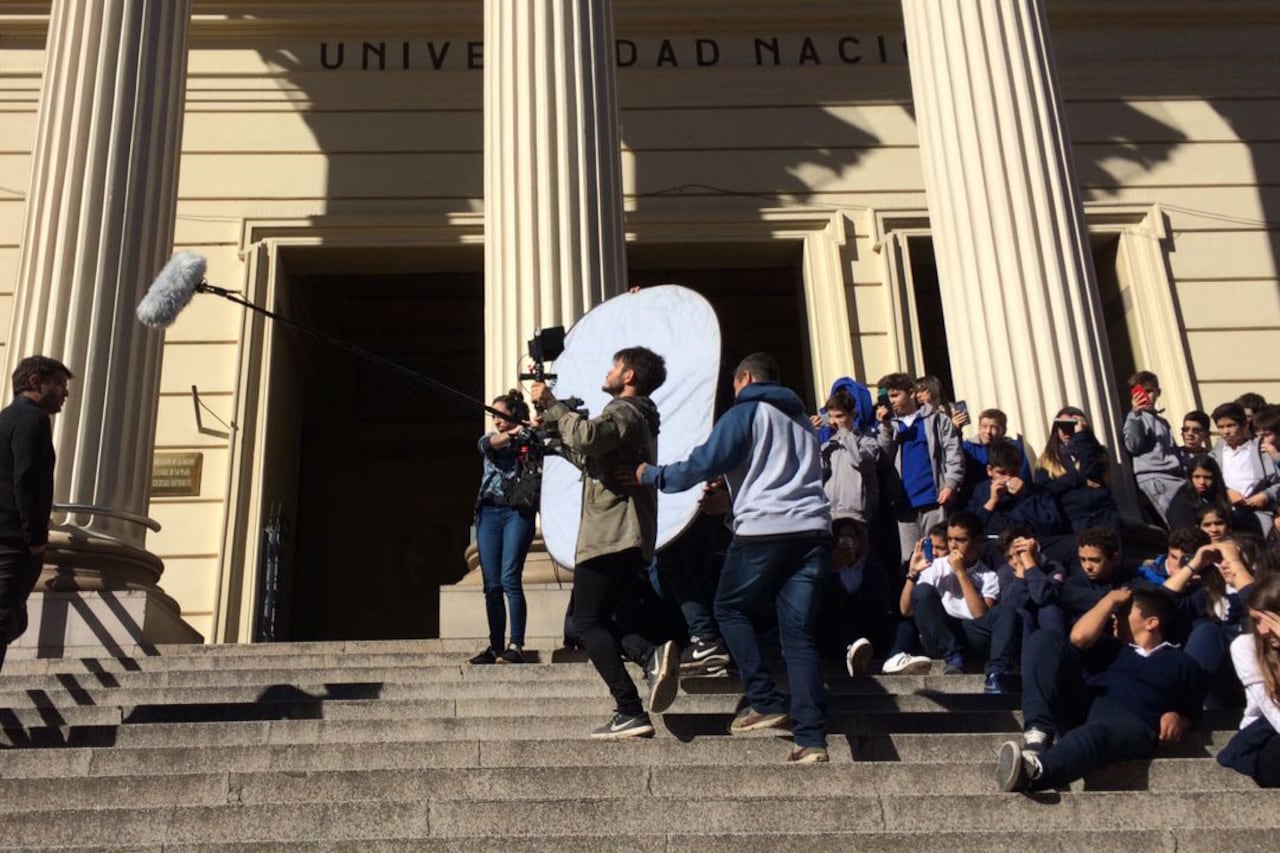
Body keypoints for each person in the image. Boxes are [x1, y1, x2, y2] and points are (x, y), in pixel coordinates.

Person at [635, 352, 833, 763]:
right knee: (799, 637)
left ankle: (764, 700)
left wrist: (651, 475)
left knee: (729, 609)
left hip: (764, 532)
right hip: (814, 532)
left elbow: (702, 463)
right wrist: (729, 502)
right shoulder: (801, 423)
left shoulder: (746, 413)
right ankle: (811, 740)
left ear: (744, 378)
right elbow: (783, 477)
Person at [530, 346, 679, 739]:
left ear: (628, 376)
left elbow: (590, 436)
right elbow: (592, 455)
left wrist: (552, 404)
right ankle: (650, 657)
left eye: (615, 366)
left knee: (585, 622)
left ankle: (629, 707)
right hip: (626, 534)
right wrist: (553, 433)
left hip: (610, 532)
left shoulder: (625, 411)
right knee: (602, 619)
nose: (609, 371)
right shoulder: (638, 417)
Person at [997, 586, 1206, 792]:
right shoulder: (1108, 648)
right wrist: (1108, 600)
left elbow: (1193, 711)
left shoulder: (1183, 663)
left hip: (1133, 727)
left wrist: (1177, 717)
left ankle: (1033, 773)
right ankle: (1037, 736)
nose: (1115, 616)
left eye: (1123, 612)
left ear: (1151, 623)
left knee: (1096, 734)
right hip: (1088, 713)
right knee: (1045, 639)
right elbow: (1078, 638)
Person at [0, 355, 72, 672]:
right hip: (13, 542)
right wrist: (35, 538)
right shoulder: (33, 421)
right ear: (35, 382)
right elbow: (27, 478)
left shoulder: (6, 419)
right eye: (59, 384)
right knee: (4, 618)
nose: (64, 393)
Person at [896, 510, 1019, 693]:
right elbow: (906, 610)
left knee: (1007, 612)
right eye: (950, 539)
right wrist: (912, 574)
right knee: (922, 591)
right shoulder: (935, 567)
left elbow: (980, 615)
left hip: (971, 632)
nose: (953, 546)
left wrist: (961, 573)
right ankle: (953, 656)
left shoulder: (988, 575)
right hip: (941, 634)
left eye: (961, 540)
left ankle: (997, 673)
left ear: (978, 541)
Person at [468, 390, 538, 666]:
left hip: (517, 512)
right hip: (489, 511)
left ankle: (515, 644)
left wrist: (534, 428)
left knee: (511, 578)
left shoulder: (529, 439)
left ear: (514, 413)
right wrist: (516, 432)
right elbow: (491, 444)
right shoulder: (490, 439)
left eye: (501, 414)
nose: (496, 420)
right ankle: (496, 646)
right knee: (491, 584)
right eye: (493, 415)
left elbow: (547, 442)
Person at [875, 372, 964, 568]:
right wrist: (885, 427)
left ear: (912, 393)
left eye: (895, 395)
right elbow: (882, 458)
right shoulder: (890, 426)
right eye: (887, 398)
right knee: (911, 561)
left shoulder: (937, 419)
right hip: (904, 504)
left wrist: (950, 484)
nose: (892, 402)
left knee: (938, 556)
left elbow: (953, 454)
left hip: (934, 499)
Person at [817, 517, 898, 676]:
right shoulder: (825, 568)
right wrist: (834, 570)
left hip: (868, 627)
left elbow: (880, 600)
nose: (847, 542)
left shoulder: (872, 567)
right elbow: (821, 604)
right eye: (841, 537)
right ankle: (850, 651)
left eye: (851, 537)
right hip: (837, 631)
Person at [1221, 574, 1280, 787]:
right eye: (1256, 621)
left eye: (1267, 620)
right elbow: (1272, 710)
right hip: (1265, 736)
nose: (1262, 630)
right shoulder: (1245, 646)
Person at [1033, 406, 1122, 546]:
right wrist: (1078, 479)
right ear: (1056, 429)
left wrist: (1082, 437)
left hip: (1104, 515)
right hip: (1074, 519)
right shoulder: (1046, 461)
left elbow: (1091, 471)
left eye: (1072, 425)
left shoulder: (1096, 452)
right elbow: (1045, 491)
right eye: (1062, 426)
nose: (1067, 431)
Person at [1123, 371, 1198, 530]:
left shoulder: (1162, 420)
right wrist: (1135, 413)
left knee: (1191, 519)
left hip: (1175, 478)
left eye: (1149, 391)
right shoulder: (1136, 418)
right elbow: (1133, 445)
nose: (1146, 396)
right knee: (1180, 525)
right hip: (1156, 478)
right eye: (1140, 392)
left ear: (1158, 392)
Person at [1210, 401, 1280, 537]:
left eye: (1230, 425)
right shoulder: (1214, 455)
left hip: (1259, 516)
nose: (1226, 432)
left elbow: (1277, 482)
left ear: (1244, 425)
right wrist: (1226, 492)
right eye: (1221, 427)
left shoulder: (1261, 451)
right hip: (1226, 517)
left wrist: (1266, 495)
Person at [817, 387, 882, 526]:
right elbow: (818, 473)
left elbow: (860, 461)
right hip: (830, 513)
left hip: (855, 513)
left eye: (839, 416)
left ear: (853, 414)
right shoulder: (828, 444)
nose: (834, 421)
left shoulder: (867, 441)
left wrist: (846, 433)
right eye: (831, 416)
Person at [959, 408, 1032, 506]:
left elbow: (1024, 474)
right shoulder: (968, 447)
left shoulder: (1014, 447)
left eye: (994, 427)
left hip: (1010, 497)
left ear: (1003, 430)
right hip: (979, 499)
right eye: (984, 426)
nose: (988, 431)